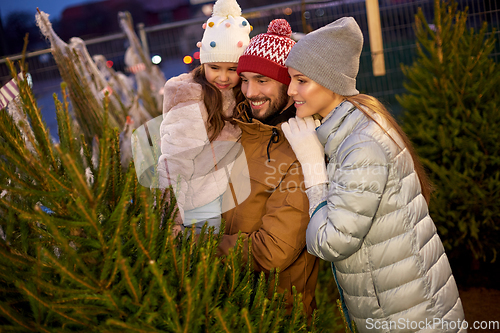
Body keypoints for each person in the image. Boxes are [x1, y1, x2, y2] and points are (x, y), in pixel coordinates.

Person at [282, 17, 466, 332]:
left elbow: (331, 242)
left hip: (407, 317)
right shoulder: (359, 123)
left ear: (331, 81)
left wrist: (313, 168)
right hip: (403, 304)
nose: (290, 90)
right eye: (290, 79)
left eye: (301, 80)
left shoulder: (361, 146)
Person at [217, 19, 319, 318]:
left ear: (288, 84)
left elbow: (273, 250)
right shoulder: (237, 127)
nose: (249, 92)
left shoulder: (301, 149)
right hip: (221, 297)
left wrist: (198, 245)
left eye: (262, 80)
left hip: (274, 310)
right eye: (245, 79)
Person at [158, 0, 251, 235]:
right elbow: (174, 160)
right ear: (204, 62)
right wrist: (171, 216)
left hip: (229, 196)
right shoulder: (192, 98)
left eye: (232, 69)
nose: (222, 77)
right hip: (197, 202)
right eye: (215, 67)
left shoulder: (241, 94)